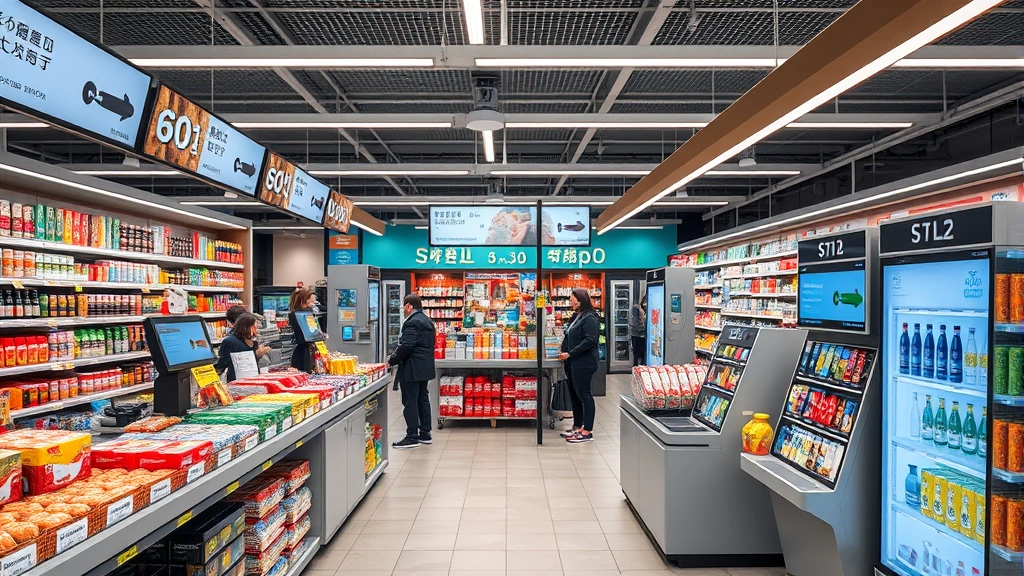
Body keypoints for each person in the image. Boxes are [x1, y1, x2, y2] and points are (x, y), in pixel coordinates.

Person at [387, 294, 436, 449]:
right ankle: (425, 432)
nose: (403, 310)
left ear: (409, 306)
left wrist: (392, 360)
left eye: (404, 307)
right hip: (425, 367)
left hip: (412, 368)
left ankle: (412, 435)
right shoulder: (427, 321)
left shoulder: (412, 322)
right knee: (422, 398)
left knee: (410, 400)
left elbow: (406, 346)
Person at [558, 288, 600, 443]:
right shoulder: (577, 316)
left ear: (580, 300)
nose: (570, 302)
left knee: (585, 395)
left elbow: (590, 341)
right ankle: (577, 427)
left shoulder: (590, 318)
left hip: (584, 361)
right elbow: (569, 335)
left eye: (572, 299)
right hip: (573, 362)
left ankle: (587, 430)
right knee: (575, 395)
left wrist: (570, 353)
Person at [214, 313, 264, 382]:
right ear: (246, 327)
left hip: (253, 380)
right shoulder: (230, 342)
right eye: (254, 328)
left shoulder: (254, 342)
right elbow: (222, 364)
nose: (256, 331)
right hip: (236, 383)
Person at [288, 287, 317, 371]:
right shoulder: (297, 315)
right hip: (303, 354)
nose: (313, 304)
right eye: (311, 301)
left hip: (309, 350)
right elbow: (309, 333)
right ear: (303, 302)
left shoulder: (307, 314)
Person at [629, 295, 647, 367]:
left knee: (639, 350)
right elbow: (636, 322)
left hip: (638, 333)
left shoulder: (638, 309)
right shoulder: (636, 309)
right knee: (637, 350)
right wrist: (643, 327)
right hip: (637, 333)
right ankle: (637, 365)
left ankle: (638, 364)